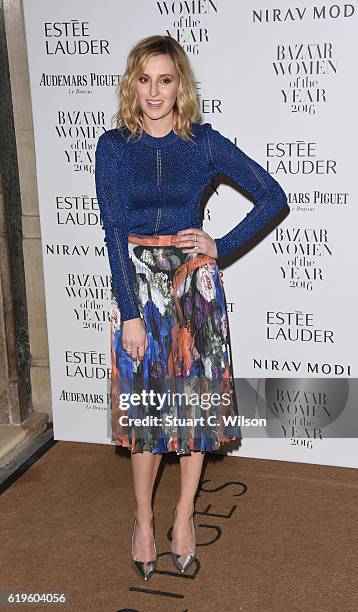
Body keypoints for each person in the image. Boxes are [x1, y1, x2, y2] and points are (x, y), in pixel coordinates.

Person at [95, 34, 289, 581]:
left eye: (165, 79)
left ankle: (183, 519)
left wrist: (219, 246)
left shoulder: (202, 143)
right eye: (145, 79)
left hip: (192, 288)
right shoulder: (113, 147)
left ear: (181, 86)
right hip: (139, 289)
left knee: (194, 409)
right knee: (145, 411)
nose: (155, 92)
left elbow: (272, 195)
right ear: (133, 85)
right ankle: (143, 522)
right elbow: (113, 233)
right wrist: (129, 312)